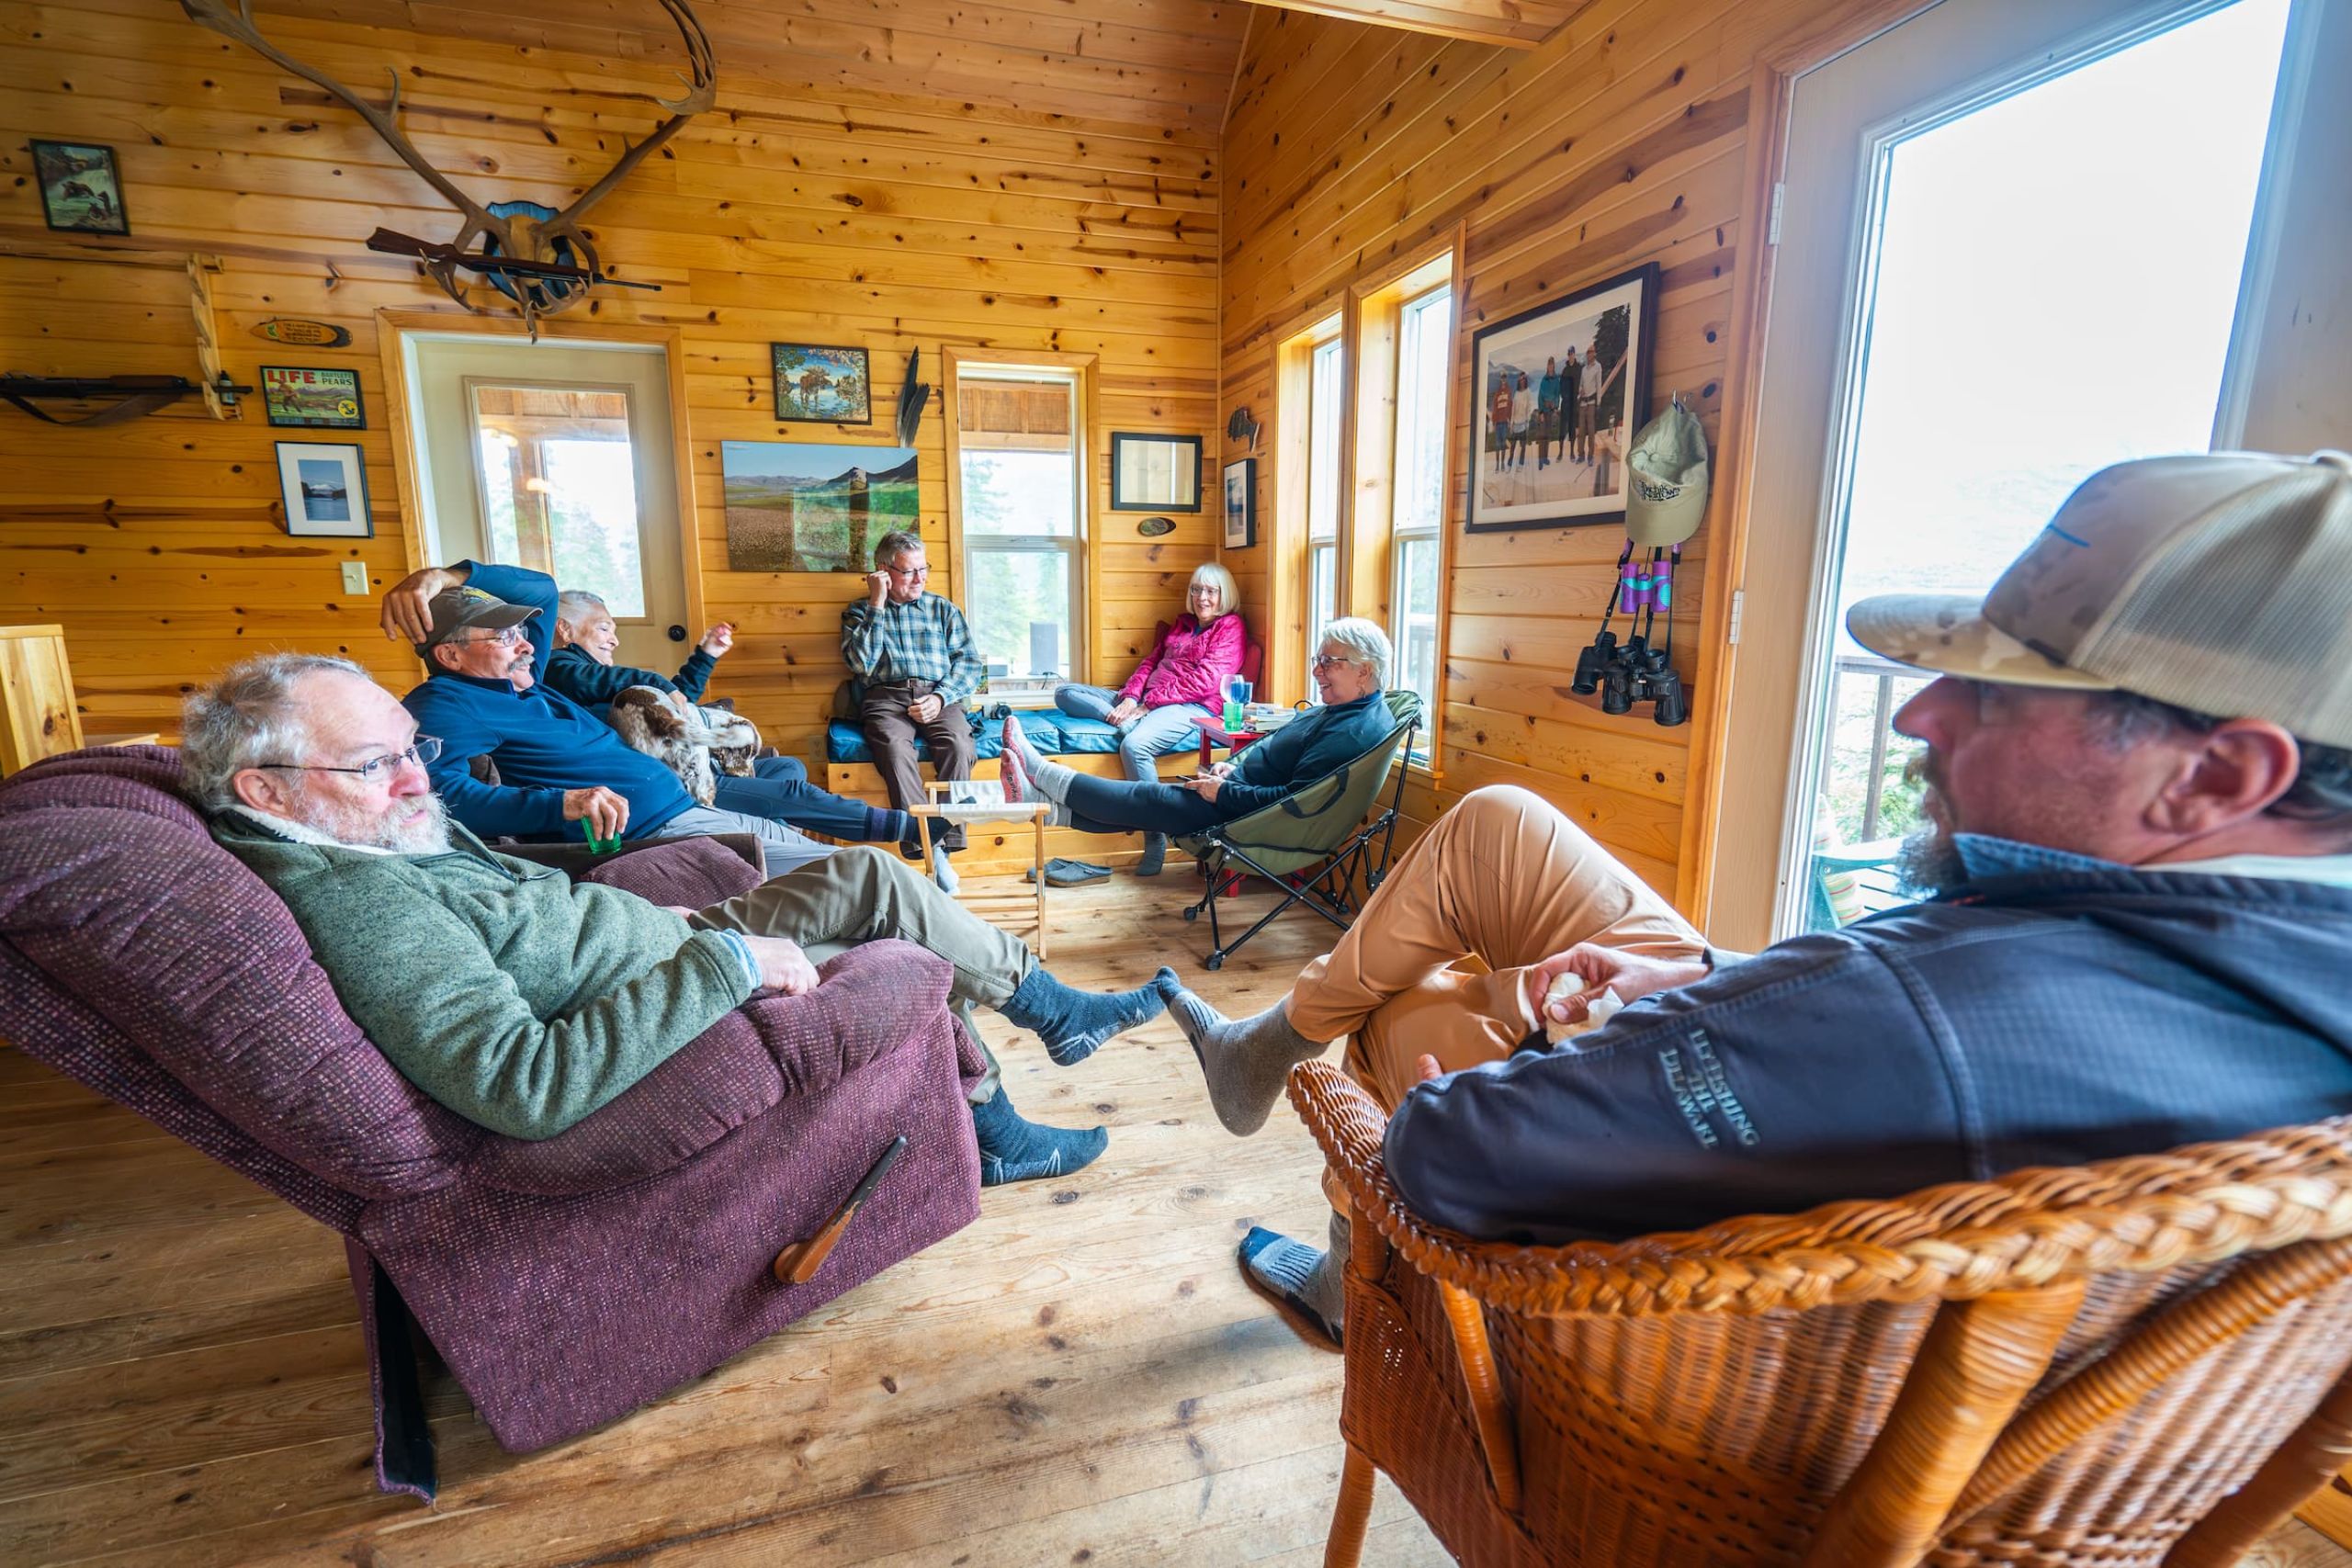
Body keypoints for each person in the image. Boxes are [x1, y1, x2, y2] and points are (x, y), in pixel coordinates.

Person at [1159, 449, 2352, 1347]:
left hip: (1669, 1347)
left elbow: (1451, 1156)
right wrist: (1721, 992)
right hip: (1847, 1158)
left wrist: (1583, 1026)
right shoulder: (2294, 966)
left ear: (2220, 772)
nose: (1918, 713)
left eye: (1994, 695)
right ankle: (1272, 1039)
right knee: (1497, 828)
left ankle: (1342, 1253)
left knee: (1408, 1010)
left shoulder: (1921, 1011)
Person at [181, 653, 1175, 1183]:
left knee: (871, 878)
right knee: (897, 941)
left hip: (669, 936)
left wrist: (616, 873)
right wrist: (732, 967)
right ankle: (997, 1132)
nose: (415, 778)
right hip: (681, 987)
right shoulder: (361, 904)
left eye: (412, 748)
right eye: (375, 763)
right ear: (264, 791)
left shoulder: (365, 829)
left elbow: (514, 887)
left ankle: (1051, 1008)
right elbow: (522, 1085)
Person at [388, 561, 834, 875]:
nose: (526, 646)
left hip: (690, 808)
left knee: (857, 866)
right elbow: (445, 801)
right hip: (664, 832)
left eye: (522, 633)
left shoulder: (523, 679)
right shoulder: (447, 702)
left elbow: (540, 588)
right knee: (863, 874)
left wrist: (442, 576)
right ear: (450, 654)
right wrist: (560, 804)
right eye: (505, 636)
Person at [546, 588, 912, 848]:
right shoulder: (559, 668)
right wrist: (655, 681)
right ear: (564, 629)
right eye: (604, 628)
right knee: (790, 791)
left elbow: (676, 704)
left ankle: (768, 831)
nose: (614, 641)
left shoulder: (590, 674)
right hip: (681, 782)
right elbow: (611, 680)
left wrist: (706, 655)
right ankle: (900, 826)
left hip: (693, 764)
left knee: (786, 767)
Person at [1001, 619, 1396, 844]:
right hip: (1238, 794)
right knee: (1146, 806)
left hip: (1252, 817)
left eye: (1329, 662)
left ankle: (1041, 772)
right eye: (1317, 659)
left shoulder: (1354, 732)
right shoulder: (1345, 710)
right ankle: (1039, 800)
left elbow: (1295, 800)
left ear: (1364, 670)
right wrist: (1232, 772)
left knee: (1147, 798)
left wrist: (1226, 791)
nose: (1316, 671)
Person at [1051, 562, 1249, 876]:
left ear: (1224, 595)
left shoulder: (1230, 628)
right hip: (1145, 701)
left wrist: (1149, 704)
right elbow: (1151, 662)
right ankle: (1119, 719)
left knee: (1135, 746)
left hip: (1190, 705)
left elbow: (1206, 681)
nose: (1202, 598)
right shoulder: (1182, 623)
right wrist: (1130, 697)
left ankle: (1154, 836)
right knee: (1066, 693)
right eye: (1197, 590)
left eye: (1211, 591)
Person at [841, 531, 980, 882]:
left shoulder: (942, 609)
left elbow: (969, 664)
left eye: (924, 568)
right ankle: (926, 846)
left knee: (960, 745)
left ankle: (945, 845)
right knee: (893, 749)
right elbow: (860, 664)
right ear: (884, 572)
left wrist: (941, 698)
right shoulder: (859, 611)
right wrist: (877, 604)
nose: (920, 578)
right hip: (885, 697)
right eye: (909, 571)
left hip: (939, 693)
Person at [1575, 340, 1604, 463]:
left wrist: (1598, 402)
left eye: (1591, 352)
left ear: (1594, 353)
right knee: (1581, 431)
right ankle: (1581, 455)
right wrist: (1580, 391)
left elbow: (1599, 385)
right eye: (1587, 352)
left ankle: (1590, 456)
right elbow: (1581, 384)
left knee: (1591, 430)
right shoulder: (1584, 369)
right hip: (1583, 402)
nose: (1589, 354)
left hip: (1592, 402)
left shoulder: (1598, 367)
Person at [1537, 355, 1565, 471]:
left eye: (1552, 365)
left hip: (1551, 411)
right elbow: (1540, 397)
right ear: (1547, 367)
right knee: (1542, 435)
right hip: (1544, 411)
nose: (1550, 367)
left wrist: (1555, 406)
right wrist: (1541, 412)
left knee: (1547, 435)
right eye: (1549, 365)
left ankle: (1545, 458)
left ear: (1553, 366)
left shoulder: (1556, 380)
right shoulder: (1544, 380)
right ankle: (1540, 460)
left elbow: (1557, 394)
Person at [1508, 371, 1536, 470]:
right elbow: (1513, 409)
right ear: (1519, 381)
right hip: (1515, 423)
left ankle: (1521, 464)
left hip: (1523, 423)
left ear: (1525, 380)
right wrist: (1511, 424)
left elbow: (1529, 407)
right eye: (1520, 379)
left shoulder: (1528, 392)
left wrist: (1527, 420)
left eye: (1523, 379)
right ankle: (1509, 463)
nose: (1522, 381)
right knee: (1513, 446)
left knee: (1523, 446)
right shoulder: (1516, 393)